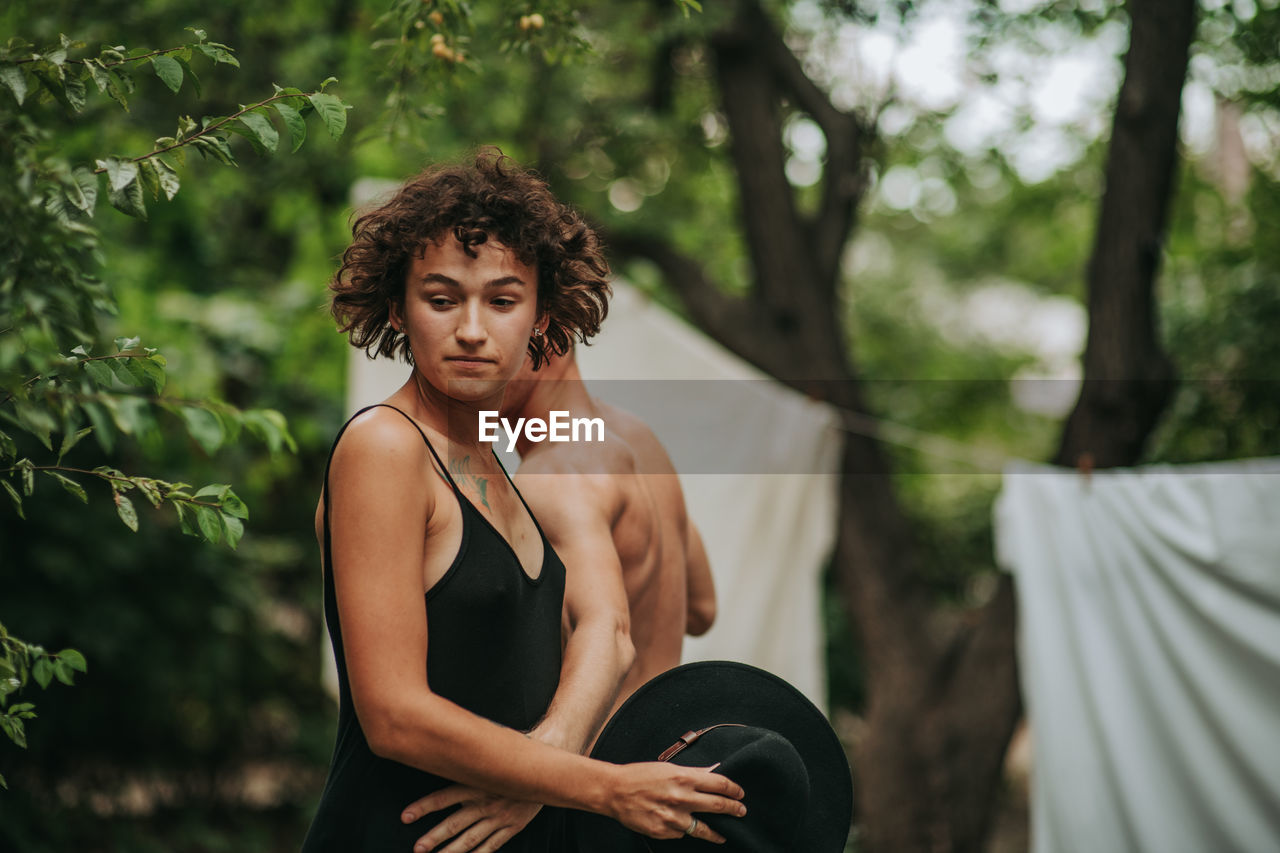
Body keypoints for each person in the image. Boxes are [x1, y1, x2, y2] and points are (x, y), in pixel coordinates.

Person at [301, 151, 745, 852]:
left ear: (542, 318)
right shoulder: (385, 447)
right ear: (398, 308)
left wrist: (543, 770)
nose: (472, 329)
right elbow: (393, 714)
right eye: (442, 299)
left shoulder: (504, 464)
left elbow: (610, 622)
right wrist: (599, 784)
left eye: (503, 301)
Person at [401, 346, 719, 852]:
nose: (475, 353)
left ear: (550, 340)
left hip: (593, 794)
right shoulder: (634, 439)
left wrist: (528, 782)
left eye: (504, 313)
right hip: (666, 766)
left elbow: (610, 636)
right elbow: (702, 609)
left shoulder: (550, 478)